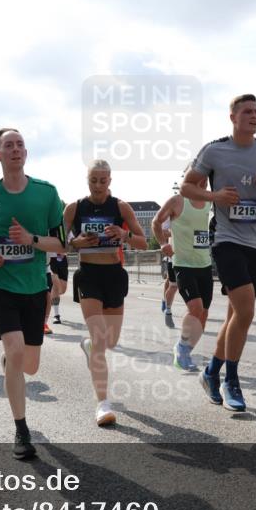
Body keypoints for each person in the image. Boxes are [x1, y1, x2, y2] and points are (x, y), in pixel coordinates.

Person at [181, 94, 256, 412]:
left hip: (255, 244)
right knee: (245, 311)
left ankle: (210, 372)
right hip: (226, 239)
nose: (254, 116)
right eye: (247, 111)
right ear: (233, 116)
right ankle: (231, 380)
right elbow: (187, 186)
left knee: (235, 315)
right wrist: (215, 194)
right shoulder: (215, 150)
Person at [0, 127, 66, 459]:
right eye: (9, 145)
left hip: (35, 286)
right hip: (0, 284)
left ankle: (12, 359)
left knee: (29, 365)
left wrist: (31, 240)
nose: (16, 149)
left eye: (20, 144)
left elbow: (61, 242)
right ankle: (21, 430)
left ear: (26, 152)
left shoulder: (47, 194)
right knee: (16, 347)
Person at [66, 159, 148, 426]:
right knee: (101, 337)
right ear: (87, 180)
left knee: (108, 341)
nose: (98, 185)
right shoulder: (75, 208)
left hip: (114, 275)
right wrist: (75, 243)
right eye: (93, 180)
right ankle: (102, 403)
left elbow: (143, 242)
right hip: (88, 276)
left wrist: (123, 236)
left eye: (103, 180)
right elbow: (57, 241)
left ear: (110, 180)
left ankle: (90, 347)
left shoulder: (120, 207)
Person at [154, 169, 214, 371]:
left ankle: (186, 351)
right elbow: (156, 222)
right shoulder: (177, 201)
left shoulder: (208, 201)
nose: (204, 183)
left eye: (207, 180)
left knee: (203, 314)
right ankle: (180, 349)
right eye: (201, 179)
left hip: (204, 264)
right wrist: (163, 243)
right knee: (195, 308)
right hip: (183, 264)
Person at [46, 252, 69, 327]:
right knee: (55, 284)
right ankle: (56, 315)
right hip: (51, 259)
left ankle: (51, 298)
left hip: (62, 258)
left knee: (62, 290)